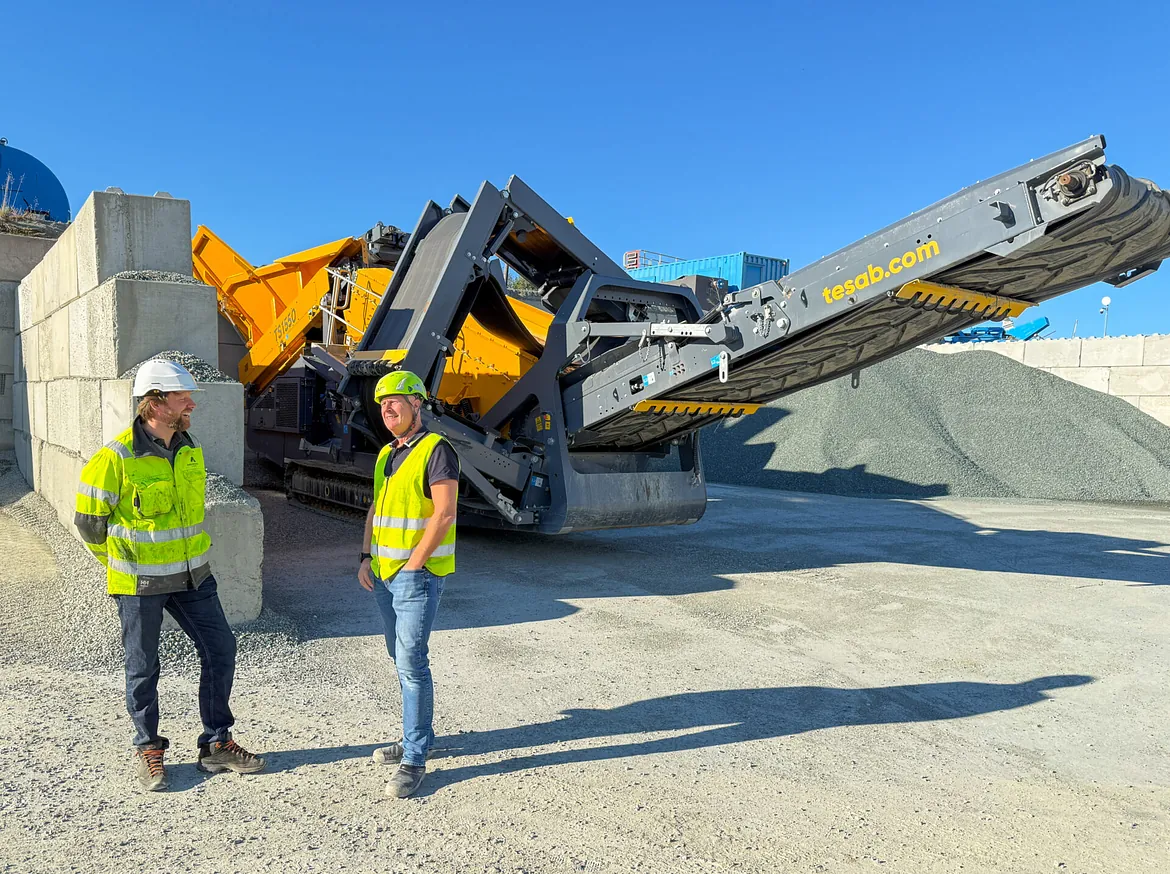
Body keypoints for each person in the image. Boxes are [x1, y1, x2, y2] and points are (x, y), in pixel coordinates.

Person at [74, 358, 265, 792]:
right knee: (143, 667)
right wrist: (119, 563)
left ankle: (216, 743)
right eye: (182, 398)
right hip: (140, 583)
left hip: (193, 576)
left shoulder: (188, 449)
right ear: (154, 403)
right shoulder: (115, 458)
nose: (191, 405)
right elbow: (88, 522)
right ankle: (148, 747)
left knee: (221, 650)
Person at [358, 370, 459, 798]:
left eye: (397, 400)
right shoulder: (386, 454)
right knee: (400, 660)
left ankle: (414, 757)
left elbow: (445, 513)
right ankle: (416, 735)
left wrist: (414, 566)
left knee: (413, 665)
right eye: (383, 403)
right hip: (383, 574)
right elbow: (375, 510)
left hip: (415, 577)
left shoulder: (437, 450)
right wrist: (365, 557)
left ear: (418, 404)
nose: (388, 408)